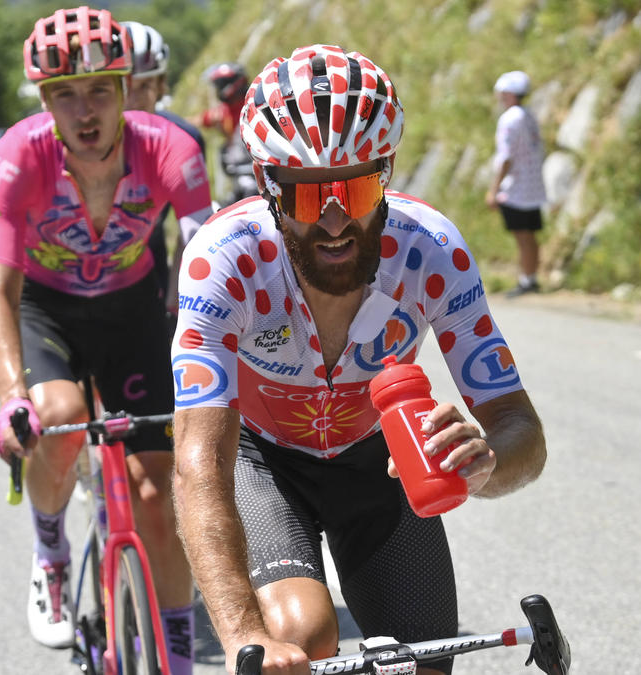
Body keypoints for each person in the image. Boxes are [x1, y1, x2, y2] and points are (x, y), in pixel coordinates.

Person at [169, 44, 547, 675]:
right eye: (311, 197)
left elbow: (520, 427)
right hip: (264, 464)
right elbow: (199, 466)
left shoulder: (432, 251)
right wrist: (239, 636)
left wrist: (487, 462)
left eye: (359, 186)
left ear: (389, 170)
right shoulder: (222, 260)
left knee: (426, 659)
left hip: (379, 463)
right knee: (300, 637)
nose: (338, 221)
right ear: (268, 186)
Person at [0, 7, 211, 672]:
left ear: (125, 88)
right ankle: (50, 548)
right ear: (45, 101)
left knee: (157, 495)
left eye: (100, 92)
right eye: (64, 95)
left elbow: (205, 262)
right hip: (46, 308)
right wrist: (9, 396)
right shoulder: (15, 157)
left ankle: (175, 656)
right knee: (57, 417)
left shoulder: (172, 149)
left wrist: (219, 363)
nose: (84, 112)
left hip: (133, 309)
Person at [121, 20, 207, 322]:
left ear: (161, 86)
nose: (132, 101)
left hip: (149, 258)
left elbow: (191, 234)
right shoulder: (85, 142)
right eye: (124, 87)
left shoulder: (184, 140)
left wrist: (175, 304)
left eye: (144, 86)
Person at [485, 70, 546, 298]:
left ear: (509, 94)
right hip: (532, 185)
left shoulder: (510, 119)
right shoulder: (528, 116)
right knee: (530, 236)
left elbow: (506, 157)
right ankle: (531, 277)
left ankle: (526, 279)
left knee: (522, 237)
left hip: (516, 187)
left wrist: (494, 189)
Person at [198, 61, 256, 205]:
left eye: (219, 85)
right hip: (241, 173)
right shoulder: (225, 111)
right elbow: (203, 119)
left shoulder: (254, 105)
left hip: (257, 175)